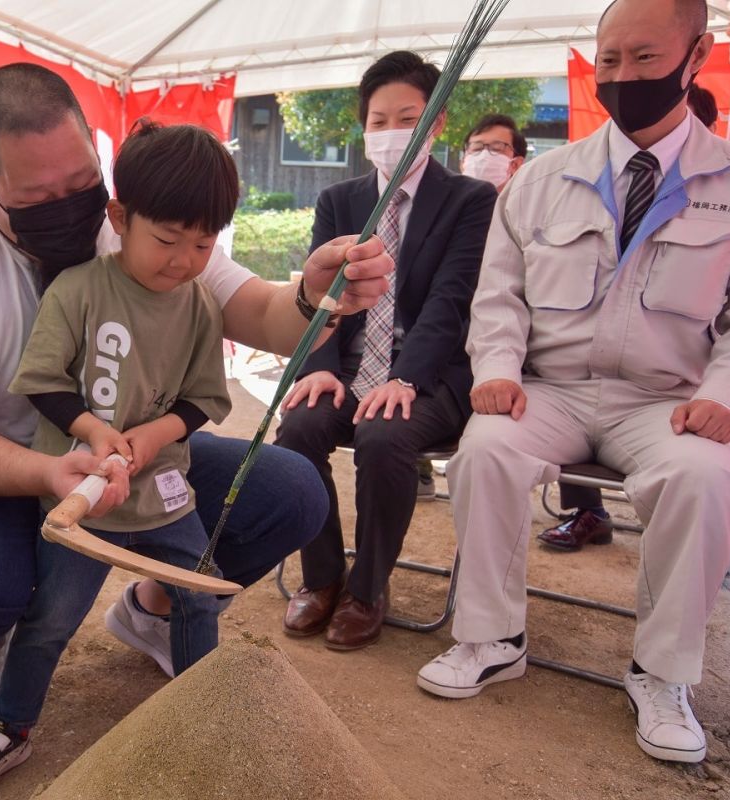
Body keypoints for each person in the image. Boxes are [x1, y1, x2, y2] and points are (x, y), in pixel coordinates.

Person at [0, 63, 392, 800]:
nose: (72, 208)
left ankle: (157, 622)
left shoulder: (154, 231)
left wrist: (314, 293)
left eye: (83, 183)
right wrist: (59, 469)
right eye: (38, 197)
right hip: (5, 473)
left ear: (100, 164)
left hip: (141, 472)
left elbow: (258, 315)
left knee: (284, 497)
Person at [416, 0, 730, 766]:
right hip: (552, 388)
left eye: (645, 59)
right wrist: (499, 372)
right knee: (484, 451)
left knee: (705, 483)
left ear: (697, 55)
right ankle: (492, 636)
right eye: (609, 60)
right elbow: (499, 294)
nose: (623, 76)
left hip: (669, 400)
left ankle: (660, 675)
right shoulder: (544, 179)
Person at [8, 120, 235, 711]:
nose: (184, 260)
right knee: (52, 618)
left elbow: (204, 398)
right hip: (81, 489)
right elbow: (41, 381)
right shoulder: (78, 289)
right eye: (167, 239)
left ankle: (195, 718)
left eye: (203, 244)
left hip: (162, 489)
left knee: (196, 598)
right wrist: (92, 428)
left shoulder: (202, 307)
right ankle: (9, 724)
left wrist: (157, 432)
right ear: (119, 216)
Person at [276, 51, 496, 651]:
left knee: (384, 435)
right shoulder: (339, 201)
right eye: (379, 120)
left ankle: (368, 589)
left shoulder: (470, 201)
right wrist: (319, 366)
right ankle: (322, 578)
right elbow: (320, 293)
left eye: (409, 117)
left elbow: (452, 302)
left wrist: (405, 377)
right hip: (348, 366)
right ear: (364, 126)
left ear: (439, 122)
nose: (393, 132)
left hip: (429, 375)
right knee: (297, 427)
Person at [536, 81, 730, 551]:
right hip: (602, 373)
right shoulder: (597, 184)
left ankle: (701, 534)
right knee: (573, 377)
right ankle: (588, 511)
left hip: (690, 380)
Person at [461, 113, 527, 190]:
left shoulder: (528, 201)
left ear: (515, 165)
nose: (483, 156)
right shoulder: (448, 200)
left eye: (496, 149)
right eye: (477, 149)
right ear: (463, 162)